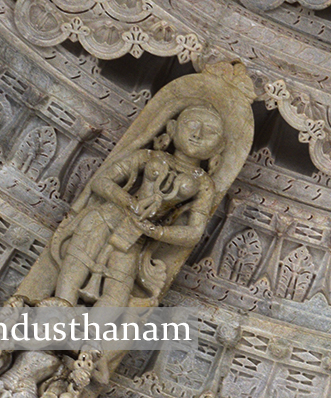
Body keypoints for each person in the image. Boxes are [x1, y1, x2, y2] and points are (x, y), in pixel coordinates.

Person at [52, 105, 226, 308]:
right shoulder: (149, 156)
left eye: (210, 132)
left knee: (117, 294)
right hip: (105, 217)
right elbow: (101, 182)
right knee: (74, 269)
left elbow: (194, 233)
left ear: (219, 147)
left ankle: (90, 338)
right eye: (191, 125)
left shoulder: (204, 183)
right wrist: (129, 203)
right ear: (172, 128)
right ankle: (56, 322)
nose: (198, 134)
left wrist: (156, 231)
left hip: (136, 236)